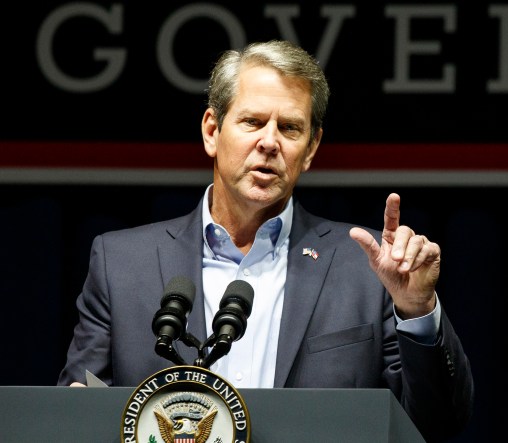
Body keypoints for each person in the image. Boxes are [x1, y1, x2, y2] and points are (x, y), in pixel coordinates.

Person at [58, 39, 473, 441]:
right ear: (211, 131)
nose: (270, 142)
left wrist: (417, 312)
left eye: (290, 128)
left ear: (310, 149)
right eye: (252, 122)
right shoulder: (122, 264)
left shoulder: (365, 271)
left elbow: (436, 423)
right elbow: (78, 409)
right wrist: (76, 416)